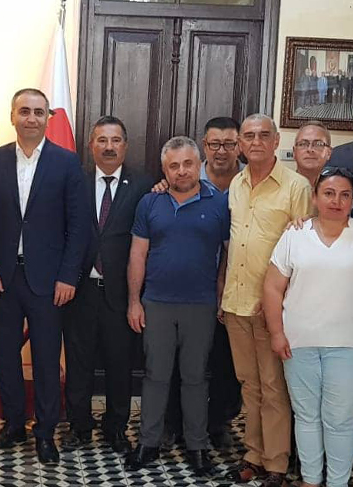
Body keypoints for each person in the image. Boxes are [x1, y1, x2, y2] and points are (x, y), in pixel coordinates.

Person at [0, 88, 88, 465]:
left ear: (48, 118)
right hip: (3, 278)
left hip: (49, 281)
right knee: (6, 356)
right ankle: (13, 425)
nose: (31, 118)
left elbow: (78, 226)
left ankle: (46, 432)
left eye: (39, 112)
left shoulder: (66, 162)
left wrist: (69, 276)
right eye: (24, 111)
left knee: (46, 359)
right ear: (13, 116)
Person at [125, 137, 229, 476]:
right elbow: (137, 254)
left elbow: (229, 253)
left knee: (195, 378)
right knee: (155, 375)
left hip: (201, 305)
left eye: (187, 164)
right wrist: (134, 301)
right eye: (173, 165)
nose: (181, 171)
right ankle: (148, 442)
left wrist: (222, 293)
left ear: (199, 164)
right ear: (164, 169)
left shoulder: (220, 203)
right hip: (157, 304)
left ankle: (197, 446)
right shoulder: (150, 203)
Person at [222, 114, 311, 487]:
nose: (255, 141)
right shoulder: (236, 183)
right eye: (249, 136)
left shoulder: (296, 186)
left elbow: (305, 252)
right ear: (240, 144)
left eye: (263, 135)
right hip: (235, 302)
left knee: (274, 387)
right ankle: (253, 455)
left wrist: (280, 301)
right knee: (250, 385)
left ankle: (276, 463)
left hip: (271, 307)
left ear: (276, 141)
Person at [61, 115, 152, 453]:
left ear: (125, 146)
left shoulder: (144, 186)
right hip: (79, 290)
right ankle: (79, 426)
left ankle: (116, 428)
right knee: (79, 363)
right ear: (91, 146)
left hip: (122, 292)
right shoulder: (75, 181)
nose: (109, 147)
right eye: (102, 140)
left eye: (115, 140)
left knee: (119, 364)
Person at [264, 166, 353, 487]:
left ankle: (338, 482)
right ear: (314, 198)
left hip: (346, 346)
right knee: (306, 417)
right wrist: (276, 333)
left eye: (345, 195)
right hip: (298, 343)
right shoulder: (295, 236)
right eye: (329, 193)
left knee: (340, 420)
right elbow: (272, 288)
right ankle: (311, 480)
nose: (336, 201)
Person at [162, 117, 244, 450]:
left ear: (239, 146)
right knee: (177, 360)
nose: (221, 151)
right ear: (204, 146)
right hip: (189, 288)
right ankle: (172, 423)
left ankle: (218, 423)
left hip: (235, 288)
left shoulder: (250, 182)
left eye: (229, 144)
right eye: (214, 144)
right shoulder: (185, 178)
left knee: (226, 360)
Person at [293, 120, 332, 187]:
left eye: (318, 144)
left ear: (329, 153)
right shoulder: (280, 188)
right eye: (303, 144)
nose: (310, 149)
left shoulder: (338, 189)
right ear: (294, 152)